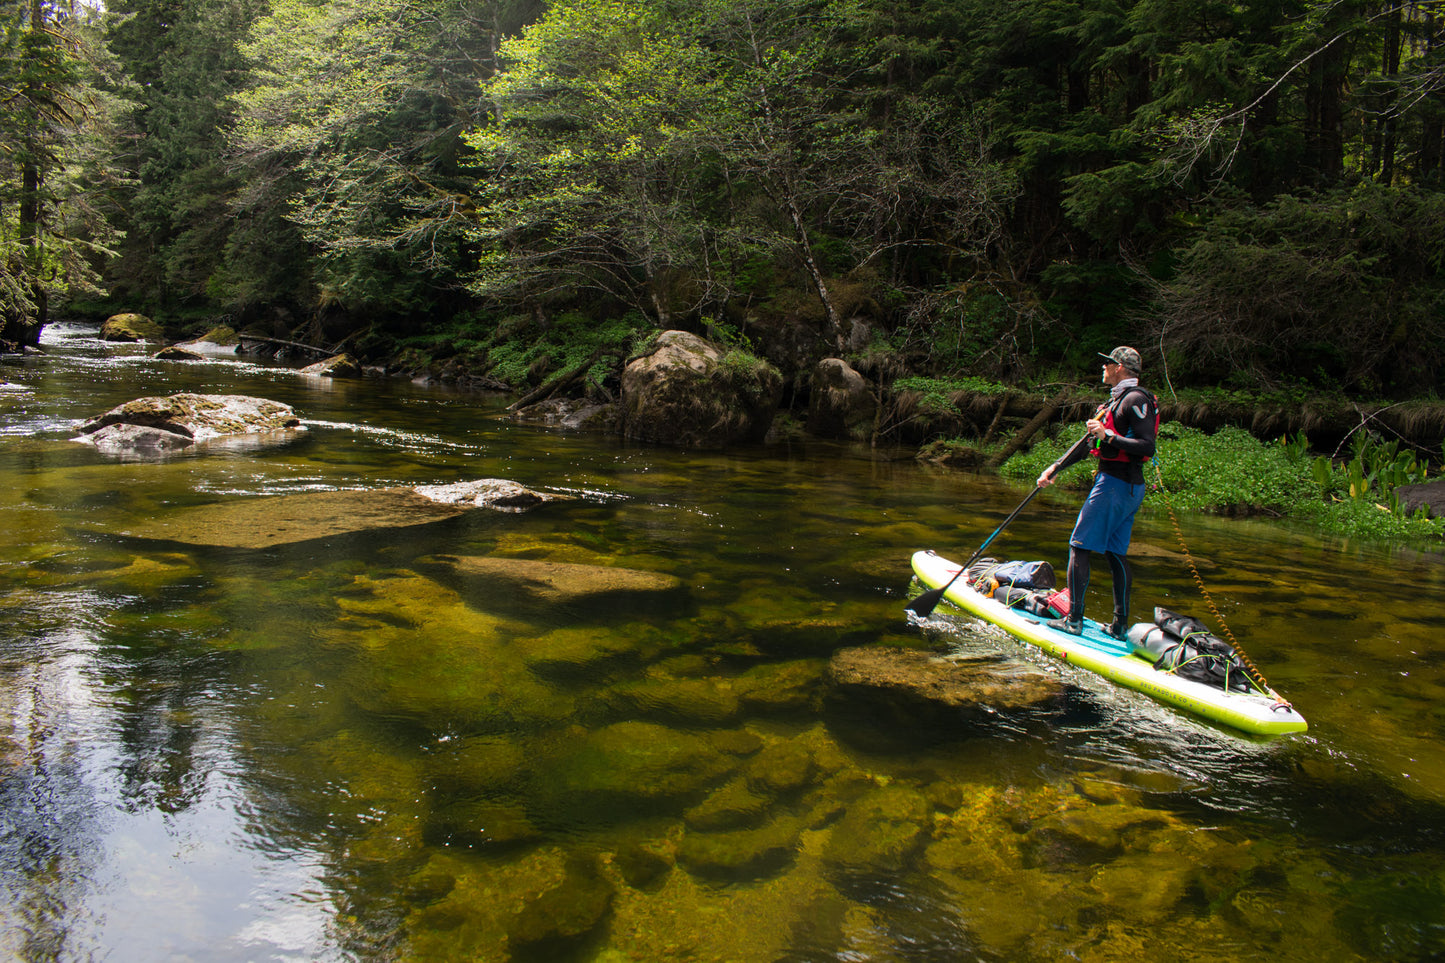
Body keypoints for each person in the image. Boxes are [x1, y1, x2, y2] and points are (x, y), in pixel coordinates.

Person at [1035, 346, 1159, 639]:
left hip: (1115, 486)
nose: (1103, 368)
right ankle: (1118, 626)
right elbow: (1087, 444)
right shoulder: (1114, 401)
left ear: (1120, 367)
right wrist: (1055, 467)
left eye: (1108, 364)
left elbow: (1147, 445)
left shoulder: (1134, 399)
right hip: (1126, 488)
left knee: (1079, 545)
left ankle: (1073, 621)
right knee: (1116, 554)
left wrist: (1109, 436)